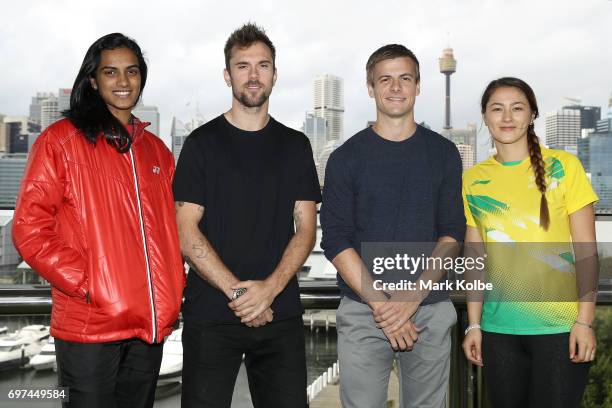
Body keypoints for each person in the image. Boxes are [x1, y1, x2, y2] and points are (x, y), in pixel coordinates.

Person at [12, 33, 185, 408]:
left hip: (148, 326)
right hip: (90, 327)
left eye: (132, 71)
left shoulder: (156, 151)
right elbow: (28, 227)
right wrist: (89, 283)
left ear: (142, 77)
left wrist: (173, 283)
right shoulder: (61, 141)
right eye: (111, 72)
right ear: (93, 79)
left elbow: (172, 229)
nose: (123, 82)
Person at [173, 23, 320, 408]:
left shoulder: (295, 145)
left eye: (263, 65)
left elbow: (306, 229)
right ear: (227, 75)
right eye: (243, 66)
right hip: (211, 313)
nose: (253, 75)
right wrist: (240, 294)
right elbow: (185, 232)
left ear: (275, 74)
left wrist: (268, 290)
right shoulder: (201, 144)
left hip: (279, 312)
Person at [320, 44, 465, 408]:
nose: (396, 87)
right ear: (370, 88)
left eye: (405, 78)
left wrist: (410, 299)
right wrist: (385, 306)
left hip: (429, 308)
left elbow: (452, 234)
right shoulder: (344, 158)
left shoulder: (444, 154)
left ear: (418, 86)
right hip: (364, 309)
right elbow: (336, 240)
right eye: (385, 79)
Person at [462, 77, 598, 407]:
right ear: (485, 116)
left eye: (517, 108)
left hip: (560, 331)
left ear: (532, 114)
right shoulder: (473, 178)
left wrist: (584, 321)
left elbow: (586, 251)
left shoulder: (565, 167)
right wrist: (473, 325)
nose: (507, 117)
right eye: (497, 108)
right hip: (498, 333)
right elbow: (475, 258)